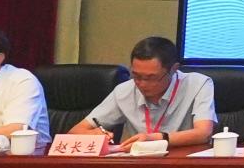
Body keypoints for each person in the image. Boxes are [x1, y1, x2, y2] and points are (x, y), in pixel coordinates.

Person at [73, 35, 217, 153]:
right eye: (136, 76)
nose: (142, 84)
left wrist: (154, 139)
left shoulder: (198, 84)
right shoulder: (124, 90)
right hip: (137, 166)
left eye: (151, 78)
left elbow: (203, 133)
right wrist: (93, 135)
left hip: (182, 163)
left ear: (173, 69)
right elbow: (74, 132)